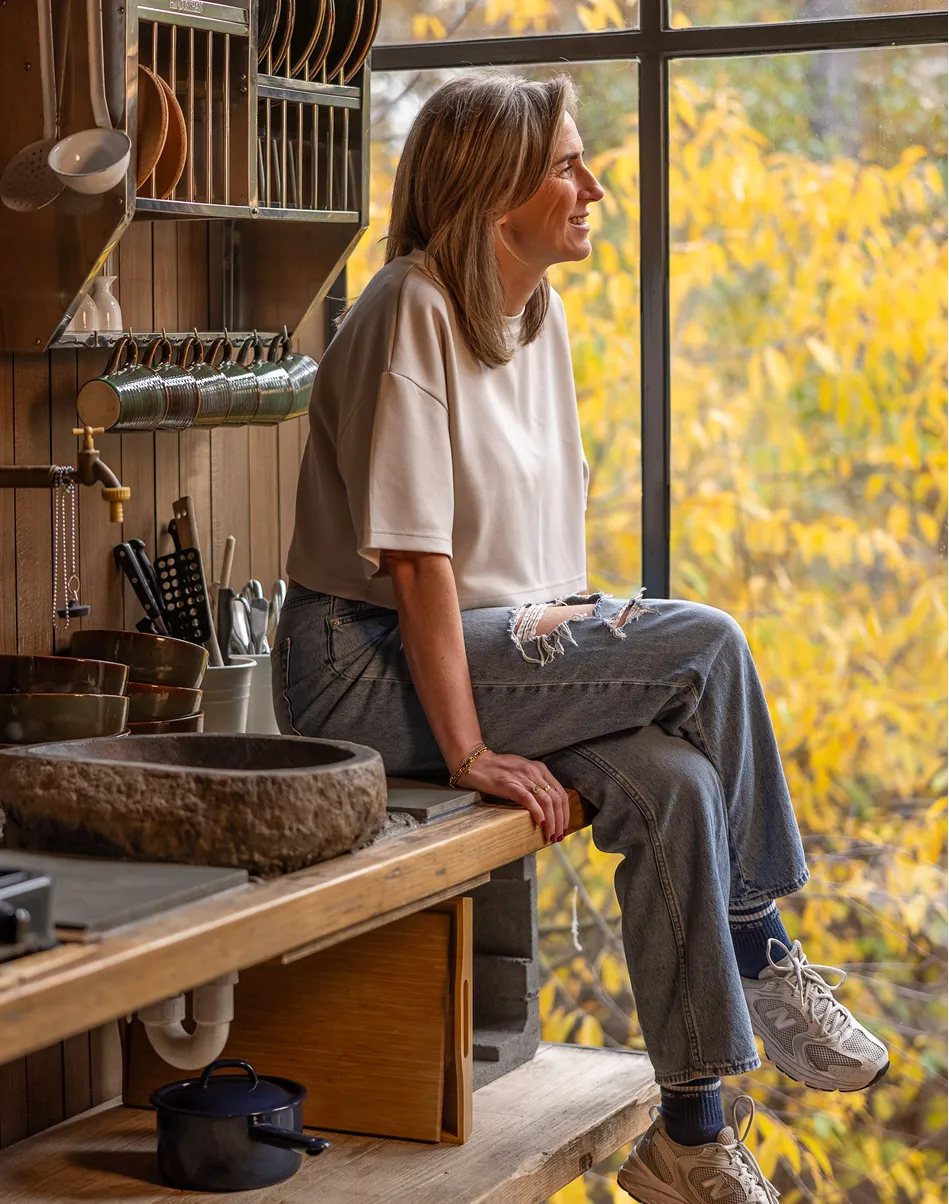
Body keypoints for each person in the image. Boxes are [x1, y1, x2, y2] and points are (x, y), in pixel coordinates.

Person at [276, 72, 889, 1204]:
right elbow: (415, 563)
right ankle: (759, 953)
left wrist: (591, 672)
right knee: (705, 642)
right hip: (358, 666)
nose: (593, 183)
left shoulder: (536, 316)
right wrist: (470, 754)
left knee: (678, 785)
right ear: (491, 189)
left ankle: (690, 1137)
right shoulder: (409, 305)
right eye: (566, 163)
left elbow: (534, 563)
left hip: (491, 647)